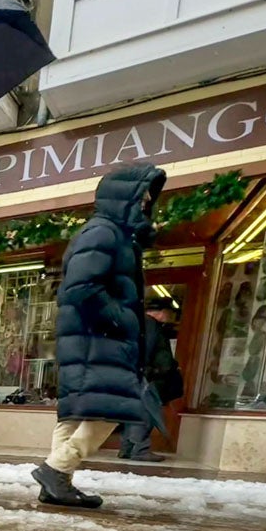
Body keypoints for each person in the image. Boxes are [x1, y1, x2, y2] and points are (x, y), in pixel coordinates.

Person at [32, 162, 167, 508]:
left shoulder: (111, 234)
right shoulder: (104, 233)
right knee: (114, 408)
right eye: (143, 193)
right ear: (123, 195)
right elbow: (80, 288)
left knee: (78, 411)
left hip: (91, 338)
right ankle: (55, 469)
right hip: (99, 339)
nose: (148, 200)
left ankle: (57, 483)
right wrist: (125, 321)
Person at [119, 295, 183, 462]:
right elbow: (150, 352)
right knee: (146, 413)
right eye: (170, 312)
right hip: (147, 377)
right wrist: (156, 370)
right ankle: (140, 449)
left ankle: (127, 448)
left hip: (133, 375)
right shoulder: (150, 325)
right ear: (163, 312)